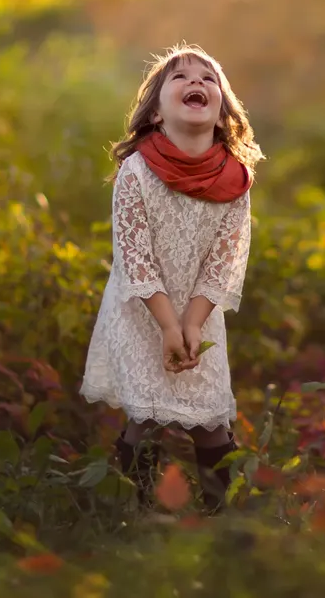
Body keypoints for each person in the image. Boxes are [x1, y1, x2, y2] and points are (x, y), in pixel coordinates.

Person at [79, 43, 262, 515]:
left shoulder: (235, 180)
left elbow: (223, 263)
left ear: (222, 113)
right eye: (179, 78)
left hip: (200, 313)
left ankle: (224, 520)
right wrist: (166, 325)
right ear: (156, 113)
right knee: (146, 417)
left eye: (208, 78)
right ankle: (137, 516)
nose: (196, 82)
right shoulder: (137, 172)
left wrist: (192, 323)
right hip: (142, 309)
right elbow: (135, 259)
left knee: (209, 420)